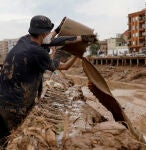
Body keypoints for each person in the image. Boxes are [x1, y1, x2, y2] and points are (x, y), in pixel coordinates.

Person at [0, 15, 96, 144]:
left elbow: (51, 39)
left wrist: (78, 37)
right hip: (14, 107)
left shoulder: (25, 40)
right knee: (9, 141)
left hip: (4, 98)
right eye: (48, 32)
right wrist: (59, 51)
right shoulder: (37, 52)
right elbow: (54, 65)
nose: (50, 36)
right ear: (43, 34)